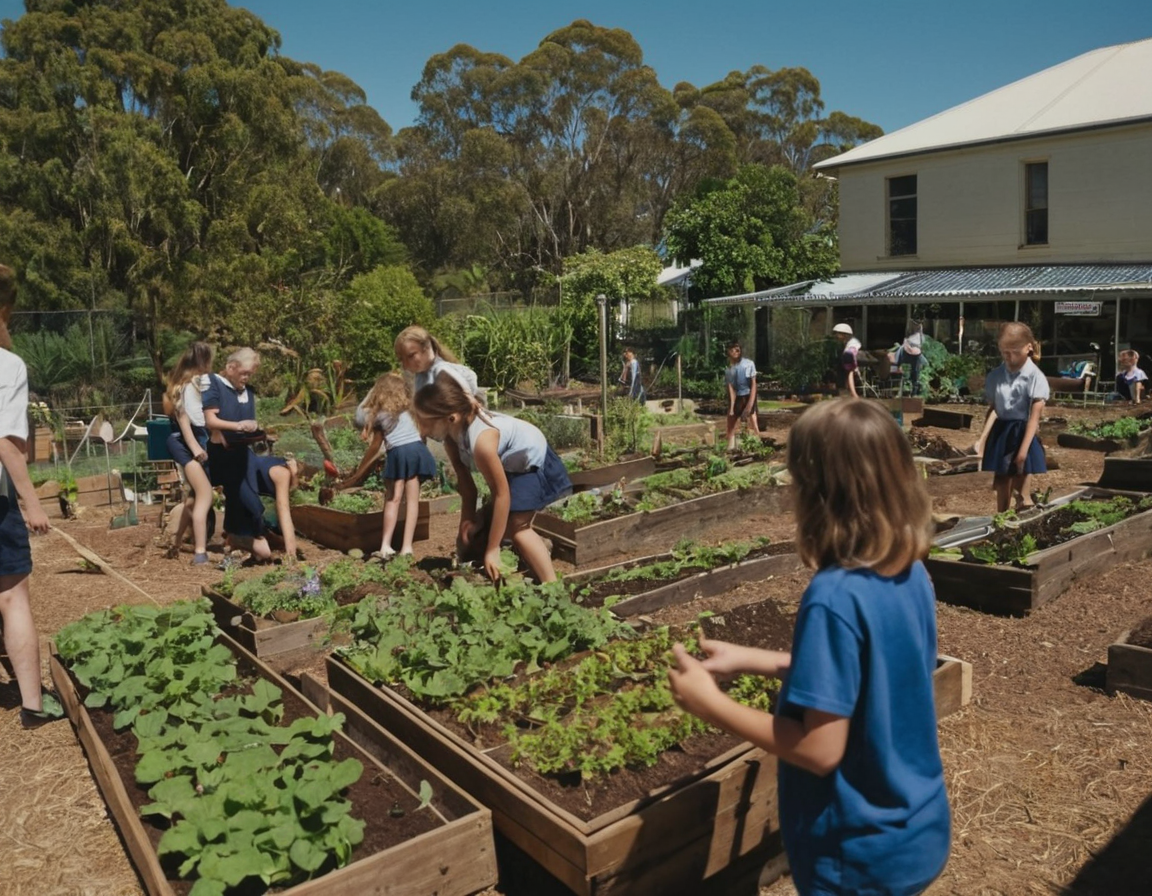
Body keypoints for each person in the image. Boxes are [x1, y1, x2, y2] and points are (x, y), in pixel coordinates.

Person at [668, 398, 950, 896]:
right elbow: (881, 675)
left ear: (818, 494)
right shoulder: (910, 572)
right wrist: (756, 659)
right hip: (914, 827)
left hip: (855, 851)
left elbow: (820, 750)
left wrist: (710, 704)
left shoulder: (833, 597)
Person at [413, 372, 571, 583]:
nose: (422, 431)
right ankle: (524, 562)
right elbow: (468, 489)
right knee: (483, 525)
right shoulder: (451, 440)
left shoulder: (482, 443)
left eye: (426, 423)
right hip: (511, 466)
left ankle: (552, 587)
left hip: (534, 462)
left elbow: (501, 494)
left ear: (451, 418)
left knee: (518, 528)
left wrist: (493, 548)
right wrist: (466, 528)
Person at [0, 264, 63, 728]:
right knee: (12, 595)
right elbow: (5, 442)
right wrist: (33, 504)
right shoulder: (7, 365)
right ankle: (34, 705)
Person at [202, 347, 296, 562]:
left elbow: (245, 426)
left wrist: (252, 428)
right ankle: (236, 536)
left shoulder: (247, 392)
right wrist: (238, 426)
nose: (246, 377)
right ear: (230, 367)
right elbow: (210, 421)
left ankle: (247, 535)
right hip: (221, 455)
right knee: (248, 501)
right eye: (244, 373)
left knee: (256, 493)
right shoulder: (214, 384)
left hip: (243, 453)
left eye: (249, 374)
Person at [358, 373, 437, 559]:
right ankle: (407, 547)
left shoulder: (379, 416)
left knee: (393, 499)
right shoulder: (409, 411)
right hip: (416, 450)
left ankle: (385, 546)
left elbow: (376, 445)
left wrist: (362, 468)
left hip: (399, 453)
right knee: (412, 501)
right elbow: (422, 434)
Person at [973, 322, 1049, 513]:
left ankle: (1023, 511)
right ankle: (1001, 516)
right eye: (1005, 352)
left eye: (1015, 352)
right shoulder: (996, 376)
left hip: (1023, 432)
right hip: (1002, 432)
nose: (1010, 357)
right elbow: (994, 410)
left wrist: (1023, 451)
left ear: (1028, 348)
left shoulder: (1035, 377)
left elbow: (1034, 417)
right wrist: (982, 440)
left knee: (1021, 481)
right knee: (1001, 480)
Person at [163, 342, 215, 565]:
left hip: (189, 442)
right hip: (190, 443)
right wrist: (196, 448)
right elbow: (184, 420)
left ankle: (175, 544)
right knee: (205, 494)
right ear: (204, 361)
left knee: (193, 498)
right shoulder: (191, 385)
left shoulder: (186, 385)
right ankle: (200, 552)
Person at [394, 325, 482, 399]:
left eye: (411, 356)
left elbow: (469, 387)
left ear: (426, 348)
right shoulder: (420, 376)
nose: (405, 364)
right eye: (401, 359)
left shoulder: (441, 370)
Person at [724, 340, 761, 450]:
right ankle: (730, 447)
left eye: (737, 350)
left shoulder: (749, 364)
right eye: (732, 350)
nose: (735, 352)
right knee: (731, 422)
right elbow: (731, 389)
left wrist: (750, 404)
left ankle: (758, 444)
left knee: (753, 420)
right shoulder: (729, 370)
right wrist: (732, 407)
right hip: (738, 396)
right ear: (728, 352)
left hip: (748, 394)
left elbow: (753, 384)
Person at [893, 320, 925, 396]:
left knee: (915, 374)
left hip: (915, 353)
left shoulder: (918, 337)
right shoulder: (903, 347)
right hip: (910, 352)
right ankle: (908, 391)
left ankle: (913, 392)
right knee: (911, 374)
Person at [833, 323, 861, 398]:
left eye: (838, 334)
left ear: (844, 335)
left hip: (853, 369)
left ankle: (854, 395)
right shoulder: (847, 343)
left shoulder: (852, 344)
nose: (836, 336)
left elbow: (850, 366)